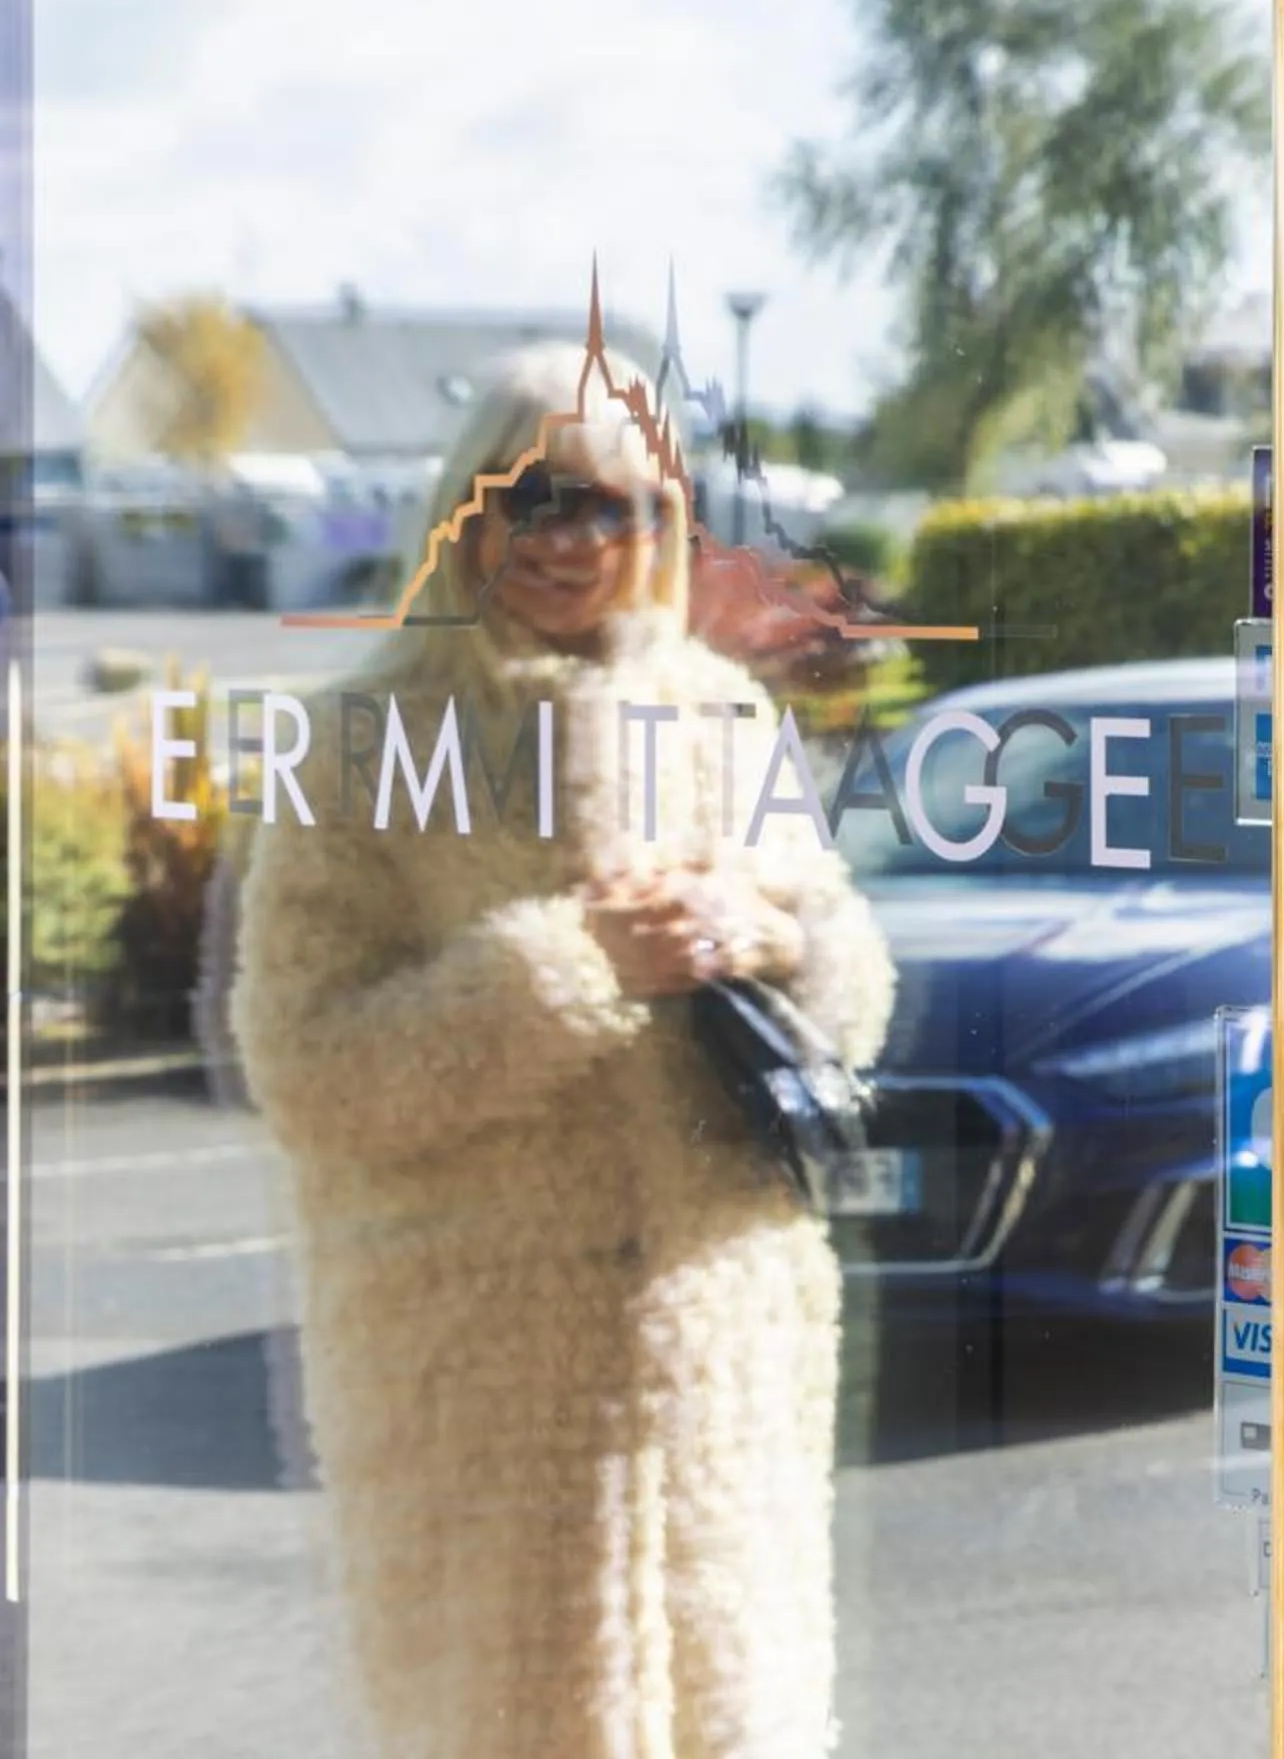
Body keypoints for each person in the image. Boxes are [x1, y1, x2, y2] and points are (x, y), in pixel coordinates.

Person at [230, 339, 897, 1758]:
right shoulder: (360, 743)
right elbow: (307, 1066)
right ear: (467, 501)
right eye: (533, 495)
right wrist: (571, 967)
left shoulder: (722, 717)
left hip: (719, 1366)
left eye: (617, 505)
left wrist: (765, 929)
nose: (570, 538)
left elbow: (852, 983)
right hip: (481, 1381)